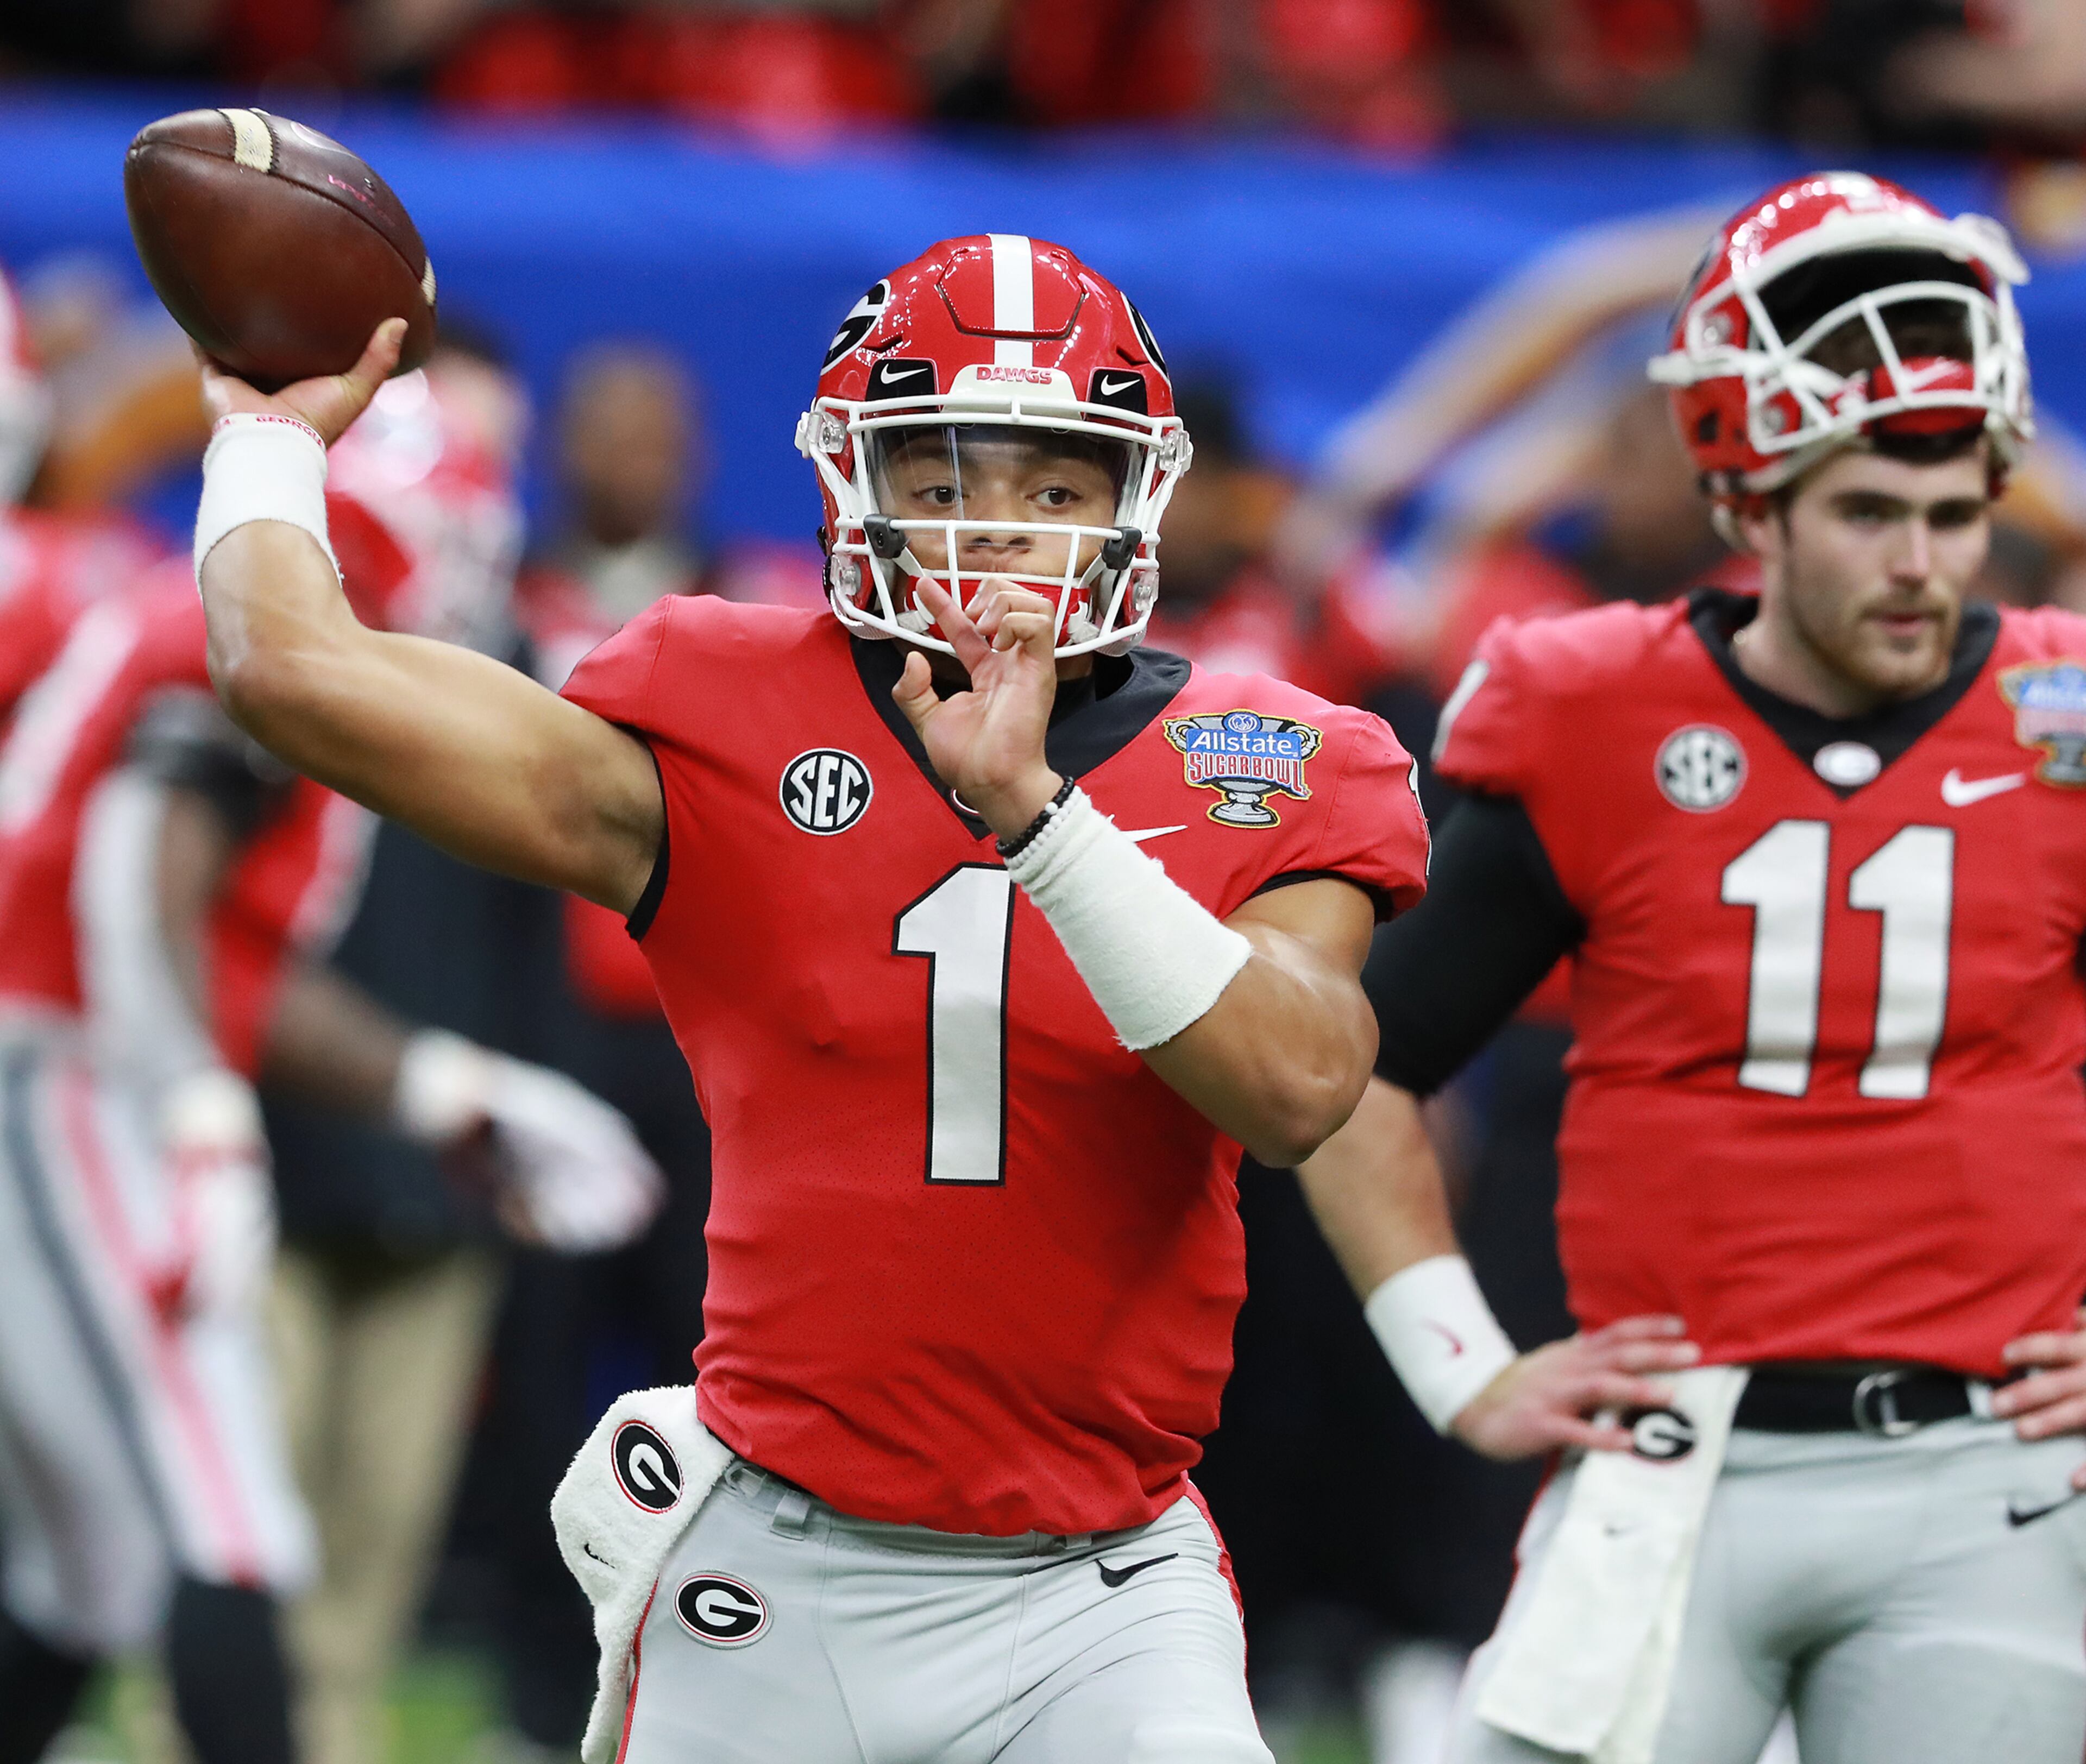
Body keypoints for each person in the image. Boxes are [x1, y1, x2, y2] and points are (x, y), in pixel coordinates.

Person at [186, 231, 1430, 1761]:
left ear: (1133, 496)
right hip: (776, 1571)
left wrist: (1043, 822)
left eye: (1055, 486)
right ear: (854, 484)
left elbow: (1301, 1089)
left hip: (1103, 1586)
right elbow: (286, 672)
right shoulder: (724, 709)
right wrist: (261, 436)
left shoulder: (1278, 758)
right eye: (947, 479)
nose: (1003, 537)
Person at [1300, 170, 2086, 1763]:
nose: (1926, 566)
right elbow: (1350, 1072)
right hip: (1671, 1459)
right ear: (1754, 507)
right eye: (1871, 512)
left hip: (1982, 1472)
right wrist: (1465, 1369)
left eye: (1956, 516)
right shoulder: (1596, 711)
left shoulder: (2062, 721)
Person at [0, 452, 662, 1763]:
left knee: (78, 1572)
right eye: (449, 527)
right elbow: (137, 883)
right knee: (226, 1517)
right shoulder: (232, 623)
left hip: (79, 1058)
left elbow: (231, 951)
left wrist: (441, 1089)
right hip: (62, 1070)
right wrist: (194, 1116)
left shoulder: (252, 639)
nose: (467, 564)